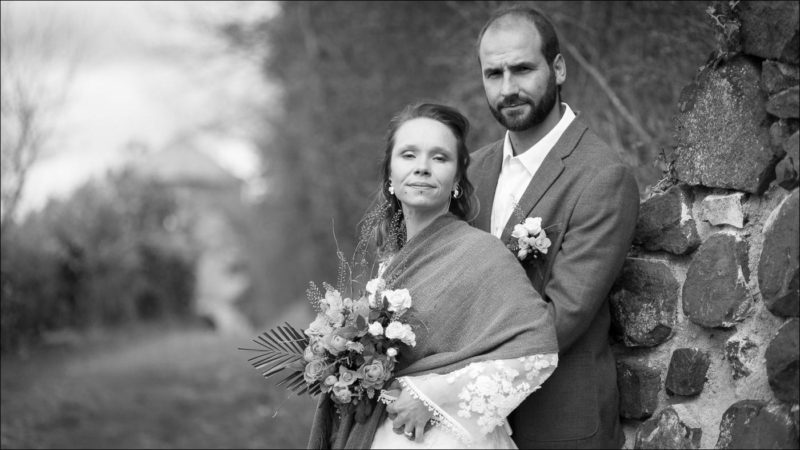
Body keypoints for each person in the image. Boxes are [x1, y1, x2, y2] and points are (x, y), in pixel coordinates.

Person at [307, 102, 559, 449]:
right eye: (408, 155)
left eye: (439, 158)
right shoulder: (389, 262)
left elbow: (537, 352)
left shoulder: (483, 254)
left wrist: (434, 398)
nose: (422, 168)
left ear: (456, 179)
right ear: (390, 175)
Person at [467, 6, 640, 449]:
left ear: (558, 68)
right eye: (494, 74)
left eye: (522, 69)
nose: (508, 89)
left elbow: (560, 319)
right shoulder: (472, 172)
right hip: (472, 430)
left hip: (558, 426)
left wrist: (450, 383)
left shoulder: (601, 177)